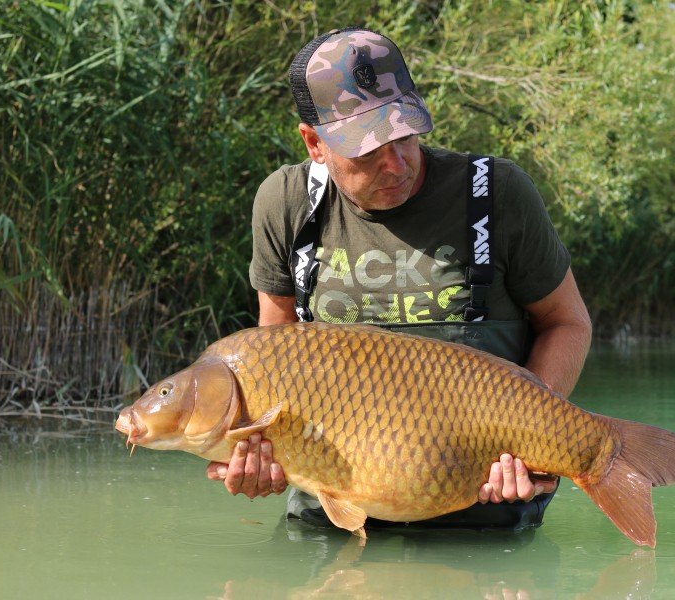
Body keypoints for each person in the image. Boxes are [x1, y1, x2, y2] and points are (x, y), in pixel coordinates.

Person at [206, 27, 592, 532]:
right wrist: (257, 458)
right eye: (366, 150)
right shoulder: (288, 203)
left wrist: (528, 436)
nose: (397, 164)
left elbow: (568, 322)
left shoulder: (496, 194)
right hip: (330, 517)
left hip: (481, 512)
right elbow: (271, 357)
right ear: (314, 142)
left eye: (404, 134)